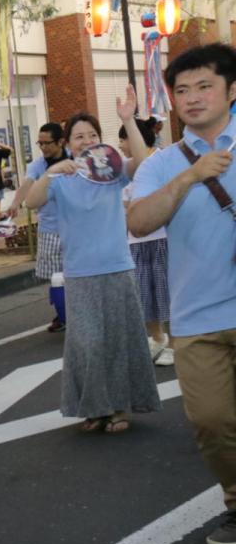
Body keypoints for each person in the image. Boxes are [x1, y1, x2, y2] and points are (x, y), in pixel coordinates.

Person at [129, 42, 236, 544]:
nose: (192, 98)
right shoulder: (162, 162)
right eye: (182, 90)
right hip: (195, 315)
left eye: (205, 86)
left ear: (231, 91)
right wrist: (191, 176)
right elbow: (139, 220)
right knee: (211, 420)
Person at [23, 90, 161, 434]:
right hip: (80, 272)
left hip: (117, 266)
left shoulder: (113, 172)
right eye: (79, 136)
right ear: (68, 143)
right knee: (87, 344)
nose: (87, 141)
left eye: (93, 136)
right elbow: (31, 200)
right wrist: (52, 172)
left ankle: (116, 408)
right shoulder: (62, 178)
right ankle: (94, 407)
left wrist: (128, 119)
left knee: (118, 340)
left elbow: (143, 163)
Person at [119, 118, 173, 367]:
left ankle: (173, 343)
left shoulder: (161, 161)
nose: (120, 144)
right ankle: (158, 337)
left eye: (124, 138)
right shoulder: (122, 169)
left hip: (162, 237)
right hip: (135, 240)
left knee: (167, 291)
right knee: (144, 293)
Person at [12, 123, 71, 332]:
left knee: (76, 274)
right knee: (55, 278)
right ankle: (62, 314)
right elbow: (26, 186)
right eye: (40, 143)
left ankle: (77, 312)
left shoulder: (73, 159)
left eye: (48, 143)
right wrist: (13, 205)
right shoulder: (37, 166)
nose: (43, 147)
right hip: (50, 228)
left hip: (75, 228)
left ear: (61, 142)